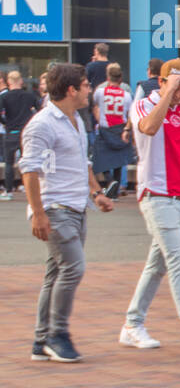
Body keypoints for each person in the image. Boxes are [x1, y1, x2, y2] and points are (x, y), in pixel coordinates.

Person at [21, 63, 116, 362]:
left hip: (77, 207)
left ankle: (41, 340)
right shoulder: (43, 124)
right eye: (87, 85)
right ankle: (57, 334)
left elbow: (81, 162)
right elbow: (30, 170)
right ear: (72, 89)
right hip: (54, 208)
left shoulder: (75, 119)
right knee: (74, 268)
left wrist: (96, 193)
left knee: (55, 274)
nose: (90, 90)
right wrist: (38, 213)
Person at [120, 59, 180, 353]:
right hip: (155, 195)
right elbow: (148, 128)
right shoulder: (144, 105)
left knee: (156, 265)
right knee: (177, 261)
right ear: (160, 82)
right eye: (176, 86)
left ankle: (132, 324)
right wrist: (168, 92)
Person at [91, 61, 133, 194]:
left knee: (100, 158)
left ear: (108, 78)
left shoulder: (99, 92)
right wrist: (127, 129)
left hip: (105, 127)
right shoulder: (126, 95)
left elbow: (95, 107)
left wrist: (99, 119)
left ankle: (109, 181)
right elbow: (129, 114)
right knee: (118, 160)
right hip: (119, 128)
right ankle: (115, 188)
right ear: (120, 79)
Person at [2, 70, 39, 200]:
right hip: (26, 132)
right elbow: (39, 109)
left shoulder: (4, 97)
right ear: (21, 81)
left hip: (11, 131)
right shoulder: (29, 95)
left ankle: (8, 190)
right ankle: (26, 186)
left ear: (8, 82)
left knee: (9, 163)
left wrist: (6, 123)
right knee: (27, 161)